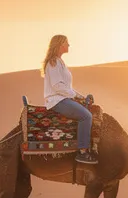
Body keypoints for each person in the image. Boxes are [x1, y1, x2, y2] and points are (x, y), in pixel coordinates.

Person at [42, 34, 97, 164]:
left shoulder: (59, 62)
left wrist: (80, 97)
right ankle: (82, 152)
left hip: (63, 98)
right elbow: (57, 86)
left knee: (89, 109)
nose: (68, 45)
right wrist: (75, 96)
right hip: (57, 100)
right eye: (66, 43)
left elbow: (66, 87)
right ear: (60, 45)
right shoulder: (53, 63)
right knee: (86, 116)